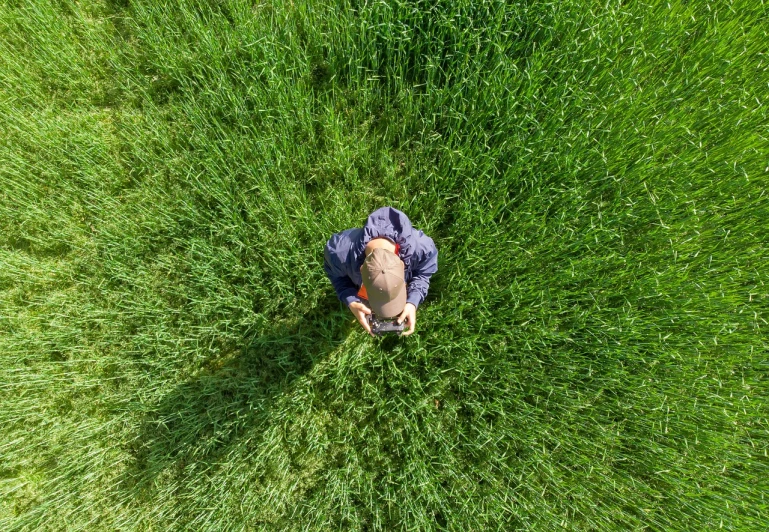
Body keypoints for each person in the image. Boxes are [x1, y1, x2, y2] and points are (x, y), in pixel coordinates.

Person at [323, 206, 438, 336]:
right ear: (361, 269)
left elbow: (423, 273)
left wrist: (412, 301)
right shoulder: (338, 255)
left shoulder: (423, 250)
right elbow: (336, 277)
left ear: (402, 264)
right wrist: (351, 300)